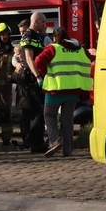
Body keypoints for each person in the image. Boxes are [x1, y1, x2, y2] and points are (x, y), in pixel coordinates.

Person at [35, 27, 93, 158]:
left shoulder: (52, 48)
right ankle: (68, 149)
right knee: (67, 119)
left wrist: (44, 74)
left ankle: (55, 141)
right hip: (73, 90)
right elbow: (90, 58)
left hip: (55, 89)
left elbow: (38, 61)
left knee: (49, 115)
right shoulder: (79, 48)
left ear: (55, 38)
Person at [13, 13, 50, 153]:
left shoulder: (35, 36)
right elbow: (29, 59)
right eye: (43, 22)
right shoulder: (28, 36)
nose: (44, 25)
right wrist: (38, 77)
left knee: (37, 111)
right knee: (40, 110)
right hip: (32, 78)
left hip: (34, 77)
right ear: (36, 21)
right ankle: (33, 141)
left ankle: (37, 143)